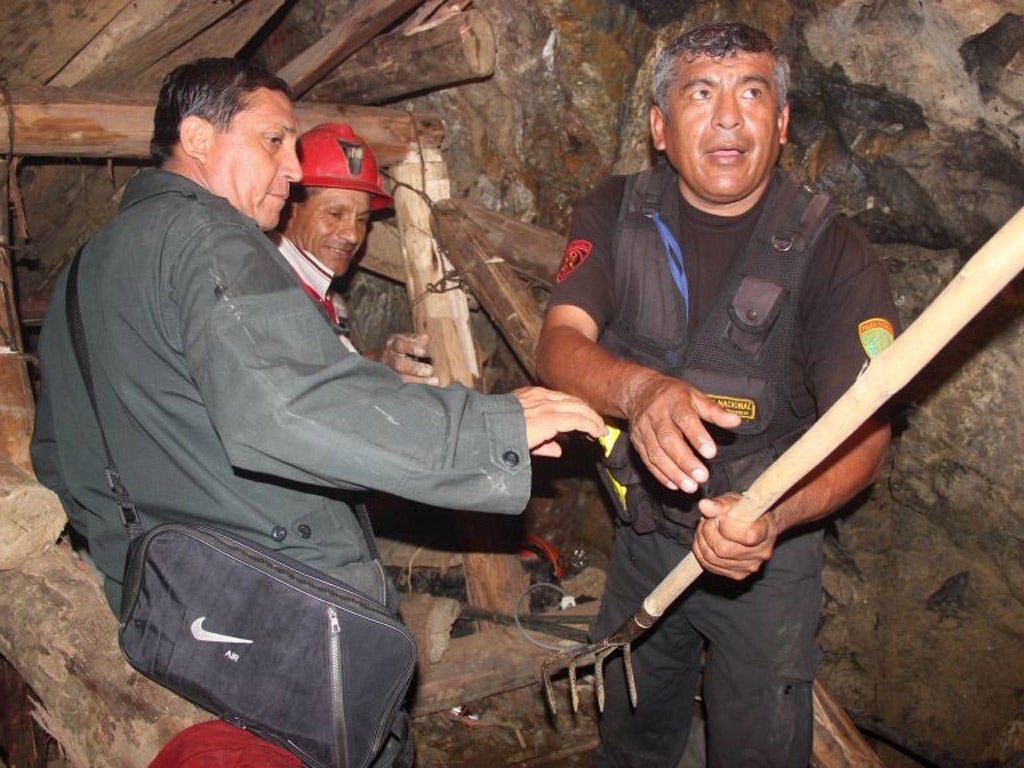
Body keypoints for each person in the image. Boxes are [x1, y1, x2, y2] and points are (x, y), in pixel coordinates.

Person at [29, 57, 605, 765]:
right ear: (199, 138)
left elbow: (58, 456)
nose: (295, 167)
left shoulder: (80, 275)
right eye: (274, 140)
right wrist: (494, 426)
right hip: (280, 616)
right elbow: (287, 405)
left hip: (161, 613)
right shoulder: (210, 239)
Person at [535, 23, 897, 768]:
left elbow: (867, 436)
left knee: (759, 748)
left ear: (783, 122)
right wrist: (637, 391)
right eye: (701, 94)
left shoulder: (836, 254)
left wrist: (772, 516)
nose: (729, 117)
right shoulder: (614, 214)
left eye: (752, 93)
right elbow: (558, 344)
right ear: (661, 128)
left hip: (767, 558)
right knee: (632, 735)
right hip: (643, 537)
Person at [273, 122, 437, 384]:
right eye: (334, 214)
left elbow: (330, 375)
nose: (352, 235)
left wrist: (381, 363)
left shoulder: (320, 296)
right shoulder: (273, 298)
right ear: (290, 208)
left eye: (362, 219)